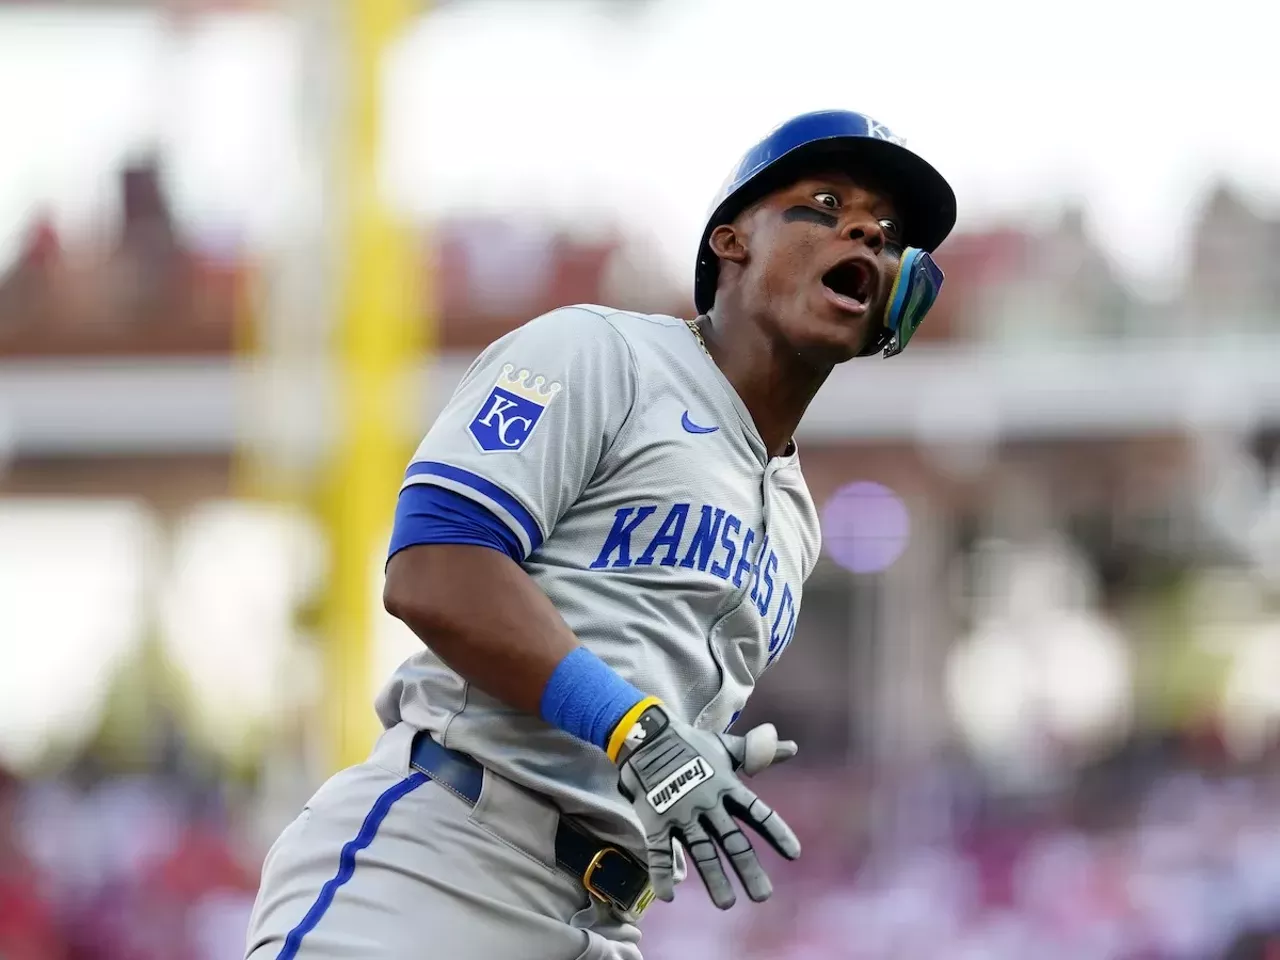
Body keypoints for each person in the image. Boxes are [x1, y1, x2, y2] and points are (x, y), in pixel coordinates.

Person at [244, 109, 956, 960]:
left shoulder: (798, 519)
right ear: (731, 242)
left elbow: (617, 671)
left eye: (885, 234)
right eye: (825, 204)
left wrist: (697, 746)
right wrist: (639, 730)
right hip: (439, 868)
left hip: (600, 919)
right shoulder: (604, 354)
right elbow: (435, 565)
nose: (861, 235)